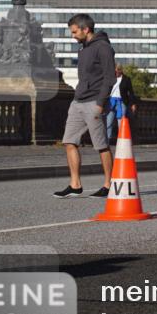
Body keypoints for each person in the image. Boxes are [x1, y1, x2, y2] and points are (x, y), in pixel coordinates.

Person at [53, 14, 116, 199]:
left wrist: (100, 103)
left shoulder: (103, 47)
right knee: (69, 141)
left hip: (94, 102)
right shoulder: (83, 48)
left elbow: (109, 78)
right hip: (78, 101)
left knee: (101, 145)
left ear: (85, 29)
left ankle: (109, 184)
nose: (72, 35)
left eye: (74, 31)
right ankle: (75, 185)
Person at [106, 64, 138, 142]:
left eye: (117, 71)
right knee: (108, 122)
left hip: (121, 102)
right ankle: (107, 140)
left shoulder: (126, 79)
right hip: (111, 101)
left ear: (120, 70)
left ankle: (121, 140)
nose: (116, 73)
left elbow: (131, 92)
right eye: (115, 71)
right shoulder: (110, 78)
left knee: (121, 122)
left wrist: (133, 104)